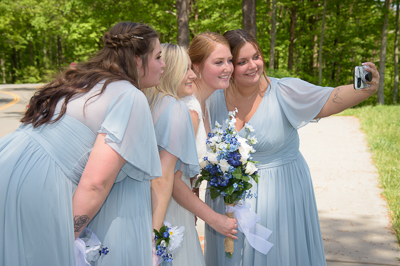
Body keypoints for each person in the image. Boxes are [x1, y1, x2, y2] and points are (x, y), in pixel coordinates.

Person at [204, 29, 380, 266]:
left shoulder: (284, 91)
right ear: (228, 66)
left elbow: (328, 98)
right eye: (242, 61)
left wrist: (365, 88)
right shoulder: (212, 97)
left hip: (280, 193)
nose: (253, 65)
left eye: (256, 56)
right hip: (227, 201)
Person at [0, 22, 163, 266]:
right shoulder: (129, 96)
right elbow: (97, 183)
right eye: (158, 57)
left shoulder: (81, 81)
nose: (163, 65)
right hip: (40, 184)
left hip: (9, 162)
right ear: (138, 60)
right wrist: (68, 241)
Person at [148, 41, 237, 266]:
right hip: (171, 206)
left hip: (175, 202)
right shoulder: (187, 110)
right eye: (185, 69)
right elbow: (172, 178)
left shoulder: (184, 103)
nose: (191, 75)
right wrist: (214, 218)